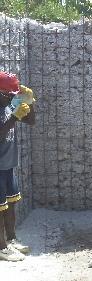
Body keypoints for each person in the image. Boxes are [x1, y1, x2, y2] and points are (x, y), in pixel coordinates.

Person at [0, 71, 35, 261]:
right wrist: (14, 117)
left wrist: (30, 101)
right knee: (0, 209)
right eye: (9, 95)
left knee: (11, 204)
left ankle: (11, 240)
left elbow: (31, 121)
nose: (12, 98)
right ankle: (1, 248)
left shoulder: (6, 106)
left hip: (8, 166)